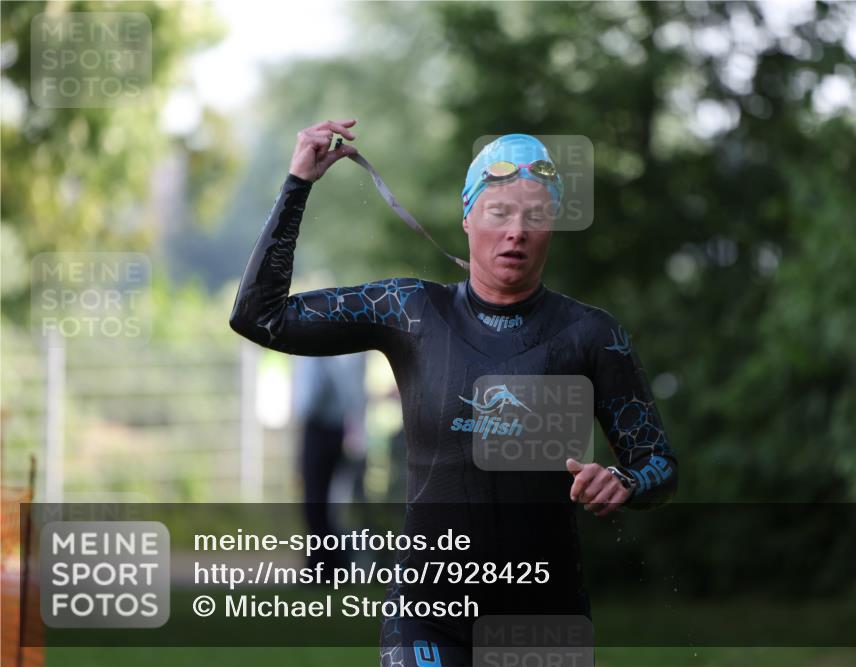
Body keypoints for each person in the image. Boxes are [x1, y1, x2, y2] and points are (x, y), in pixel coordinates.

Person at [229, 120, 678, 666]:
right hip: (425, 618)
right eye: (499, 213)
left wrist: (623, 480)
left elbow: (658, 463)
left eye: (535, 217)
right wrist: (299, 183)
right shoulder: (413, 312)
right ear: (468, 218)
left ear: (553, 226)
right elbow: (259, 317)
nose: (516, 231)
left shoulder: (589, 335)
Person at [291, 352, 367, 572]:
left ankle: (324, 566)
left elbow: (311, 398)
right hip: (334, 428)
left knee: (317, 503)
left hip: (321, 428)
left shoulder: (319, 356)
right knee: (325, 504)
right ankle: (327, 564)